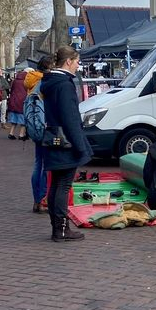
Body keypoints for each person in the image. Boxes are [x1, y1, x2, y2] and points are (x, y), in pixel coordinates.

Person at [42, 46, 92, 241]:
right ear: (69, 61)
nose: (78, 66)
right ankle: (62, 228)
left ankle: (57, 227)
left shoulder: (50, 82)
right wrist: (80, 146)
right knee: (63, 185)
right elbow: (70, 117)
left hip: (53, 137)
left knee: (56, 185)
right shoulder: (64, 84)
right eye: (77, 61)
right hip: (66, 141)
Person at [26, 57, 53, 213]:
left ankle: (37, 199)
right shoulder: (44, 84)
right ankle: (43, 198)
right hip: (44, 128)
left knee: (38, 164)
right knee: (45, 165)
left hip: (34, 128)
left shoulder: (31, 82)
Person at [6, 69, 30, 140]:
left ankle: (11, 133)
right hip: (22, 100)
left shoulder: (15, 80)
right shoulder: (26, 80)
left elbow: (12, 89)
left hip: (14, 100)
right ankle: (21, 134)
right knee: (23, 119)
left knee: (14, 119)